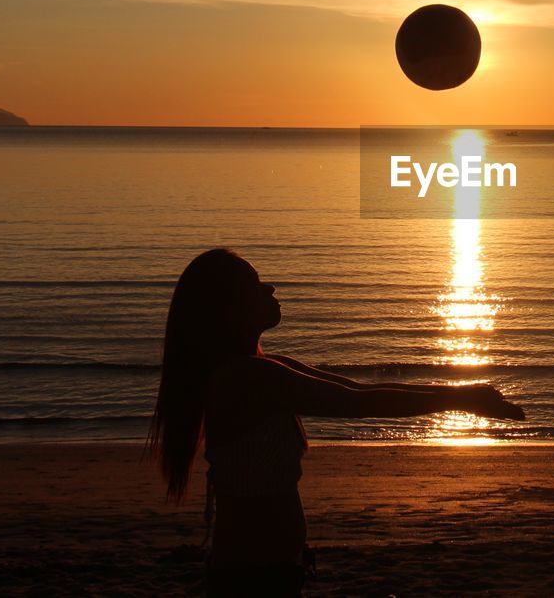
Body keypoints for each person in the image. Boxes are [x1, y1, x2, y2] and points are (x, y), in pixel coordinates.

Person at [148, 248, 523, 596]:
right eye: (254, 283)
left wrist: (462, 391)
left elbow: (357, 387)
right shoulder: (248, 378)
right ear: (228, 309)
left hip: (271, 571)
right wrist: (462, 399)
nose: (270, 286)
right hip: (252, 580)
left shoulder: (263, 368)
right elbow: (357, 403)